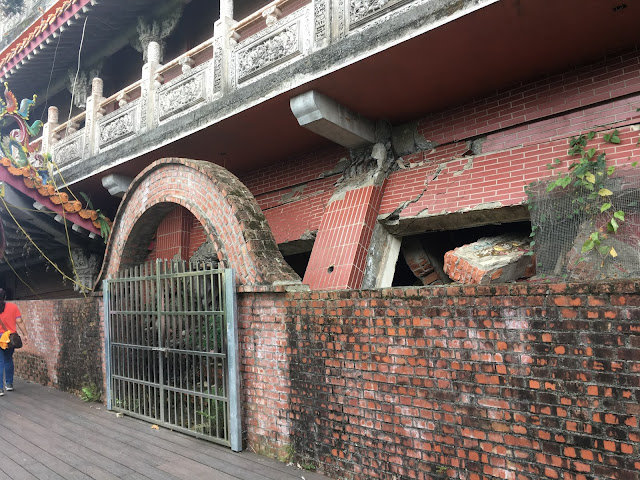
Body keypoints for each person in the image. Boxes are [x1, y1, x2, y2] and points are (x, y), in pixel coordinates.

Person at [0, 288, 29, 396]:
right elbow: (19, 321)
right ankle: (9, 384)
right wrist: (25, 334)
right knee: (8, 360)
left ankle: (0, 389)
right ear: (5, 297)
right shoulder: (13, 307)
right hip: (10, 338)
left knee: (0, 362)